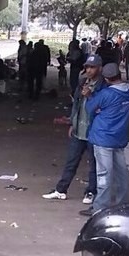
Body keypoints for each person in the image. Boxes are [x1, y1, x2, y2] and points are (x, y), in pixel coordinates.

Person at [43, 54, 103, 205]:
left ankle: (90, 192)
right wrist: (72, 123)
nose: (89, 70)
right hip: (79, 130)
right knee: (71, 162)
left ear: (99, 68)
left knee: (94, 165)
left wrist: (90, 96)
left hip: (94, 131)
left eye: (92, 67)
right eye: (87, 67)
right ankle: (61, 190)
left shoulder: (103, 86)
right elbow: (76, 105)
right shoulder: (82, 82)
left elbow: (102, 108)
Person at [84, 63, 129, 215]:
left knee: (104, 175)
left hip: (102, 137)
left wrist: (88, 95)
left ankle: (99, 207)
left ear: (106, 79)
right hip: (119, 137)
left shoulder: (106, 94)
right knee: (121, 173)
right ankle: (122, 204)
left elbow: (90, 108)